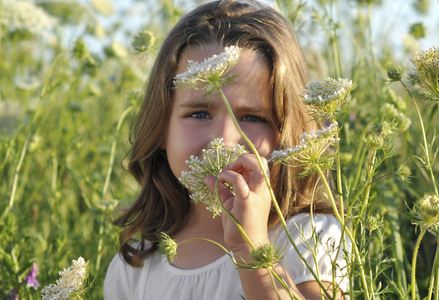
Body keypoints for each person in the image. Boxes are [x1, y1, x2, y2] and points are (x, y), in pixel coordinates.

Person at [104, 0, 349, 299]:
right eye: (199, 113)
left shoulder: (307, 236)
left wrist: (251, 248)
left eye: (252, 117)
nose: (224, 138)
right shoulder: (135, 265)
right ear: (160, 128)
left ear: (289, 134)